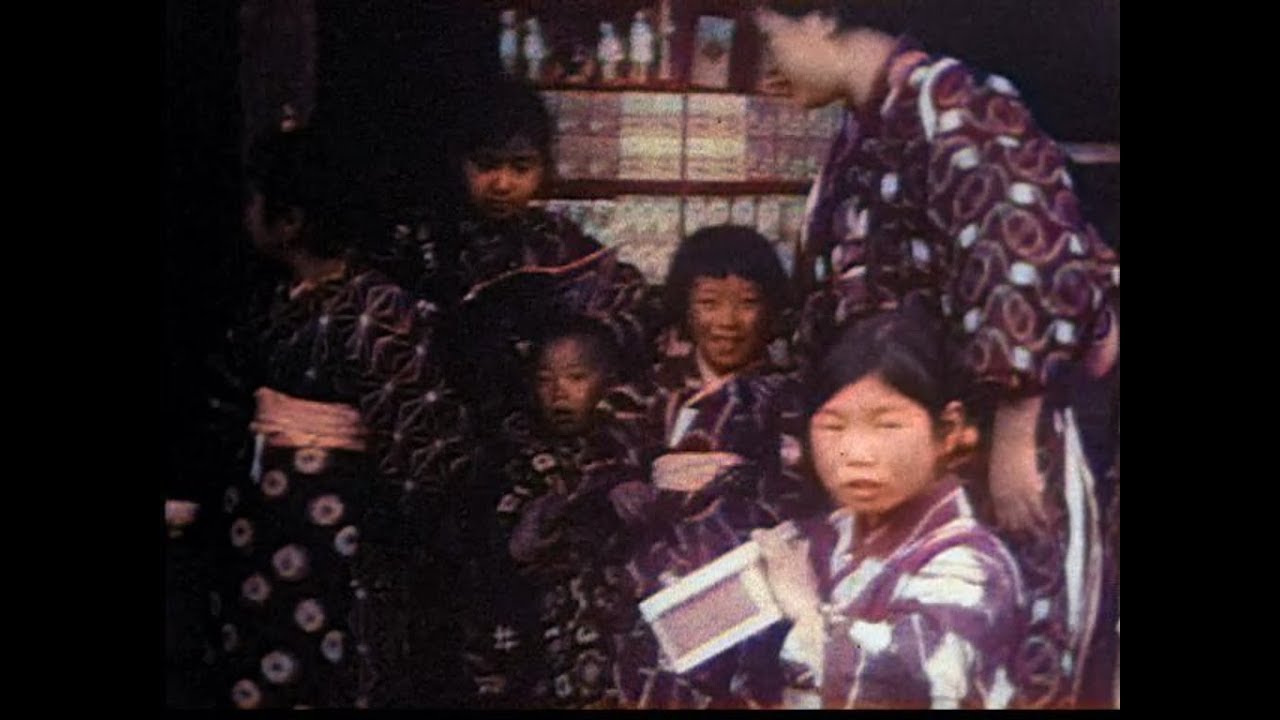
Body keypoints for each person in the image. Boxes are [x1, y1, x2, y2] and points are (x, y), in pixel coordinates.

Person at [751, 1, 1119, 705]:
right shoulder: (869, 126)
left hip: (995, 443)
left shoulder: (957, 104)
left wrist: (1015, 433)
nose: (767, 61)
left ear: (822, 18)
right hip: (911, 439)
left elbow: (1024, 255)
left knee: (1010, 645)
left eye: (770, 36)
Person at [211, 124, 472, 708]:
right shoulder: (271, 304)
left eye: (257, 199)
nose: (247, 212)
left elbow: (421, 436)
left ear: (291, 220)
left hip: (342, 532)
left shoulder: (378, 307)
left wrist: (393, 526)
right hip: (263, 522)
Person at [753, 303, 1025, 709]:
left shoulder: (972, 565)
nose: (858, 453)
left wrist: (805, 611)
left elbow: (905, 684)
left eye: (887, 426)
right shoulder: (821, 538)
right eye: (834, 426)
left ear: (948, 430)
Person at [605, 226, 825, 708]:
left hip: (753, 589)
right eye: (709, 303)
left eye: (746, 302)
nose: (728, 321)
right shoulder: (645, 394)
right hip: (657, 586)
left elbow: (801, 489)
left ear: (770, 308)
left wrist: (731, 486)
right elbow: (611, 463)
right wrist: (625, 487)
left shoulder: (788, 395)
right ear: (684, 307)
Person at [461, 317, 641, 708]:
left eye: (576, 377)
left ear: (608, 380)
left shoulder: (632, 446)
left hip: (617, 632)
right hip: (539, 637)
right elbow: (489, 547)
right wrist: (518, 541)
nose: (558, 393)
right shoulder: (510, 459)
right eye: (545, 380)